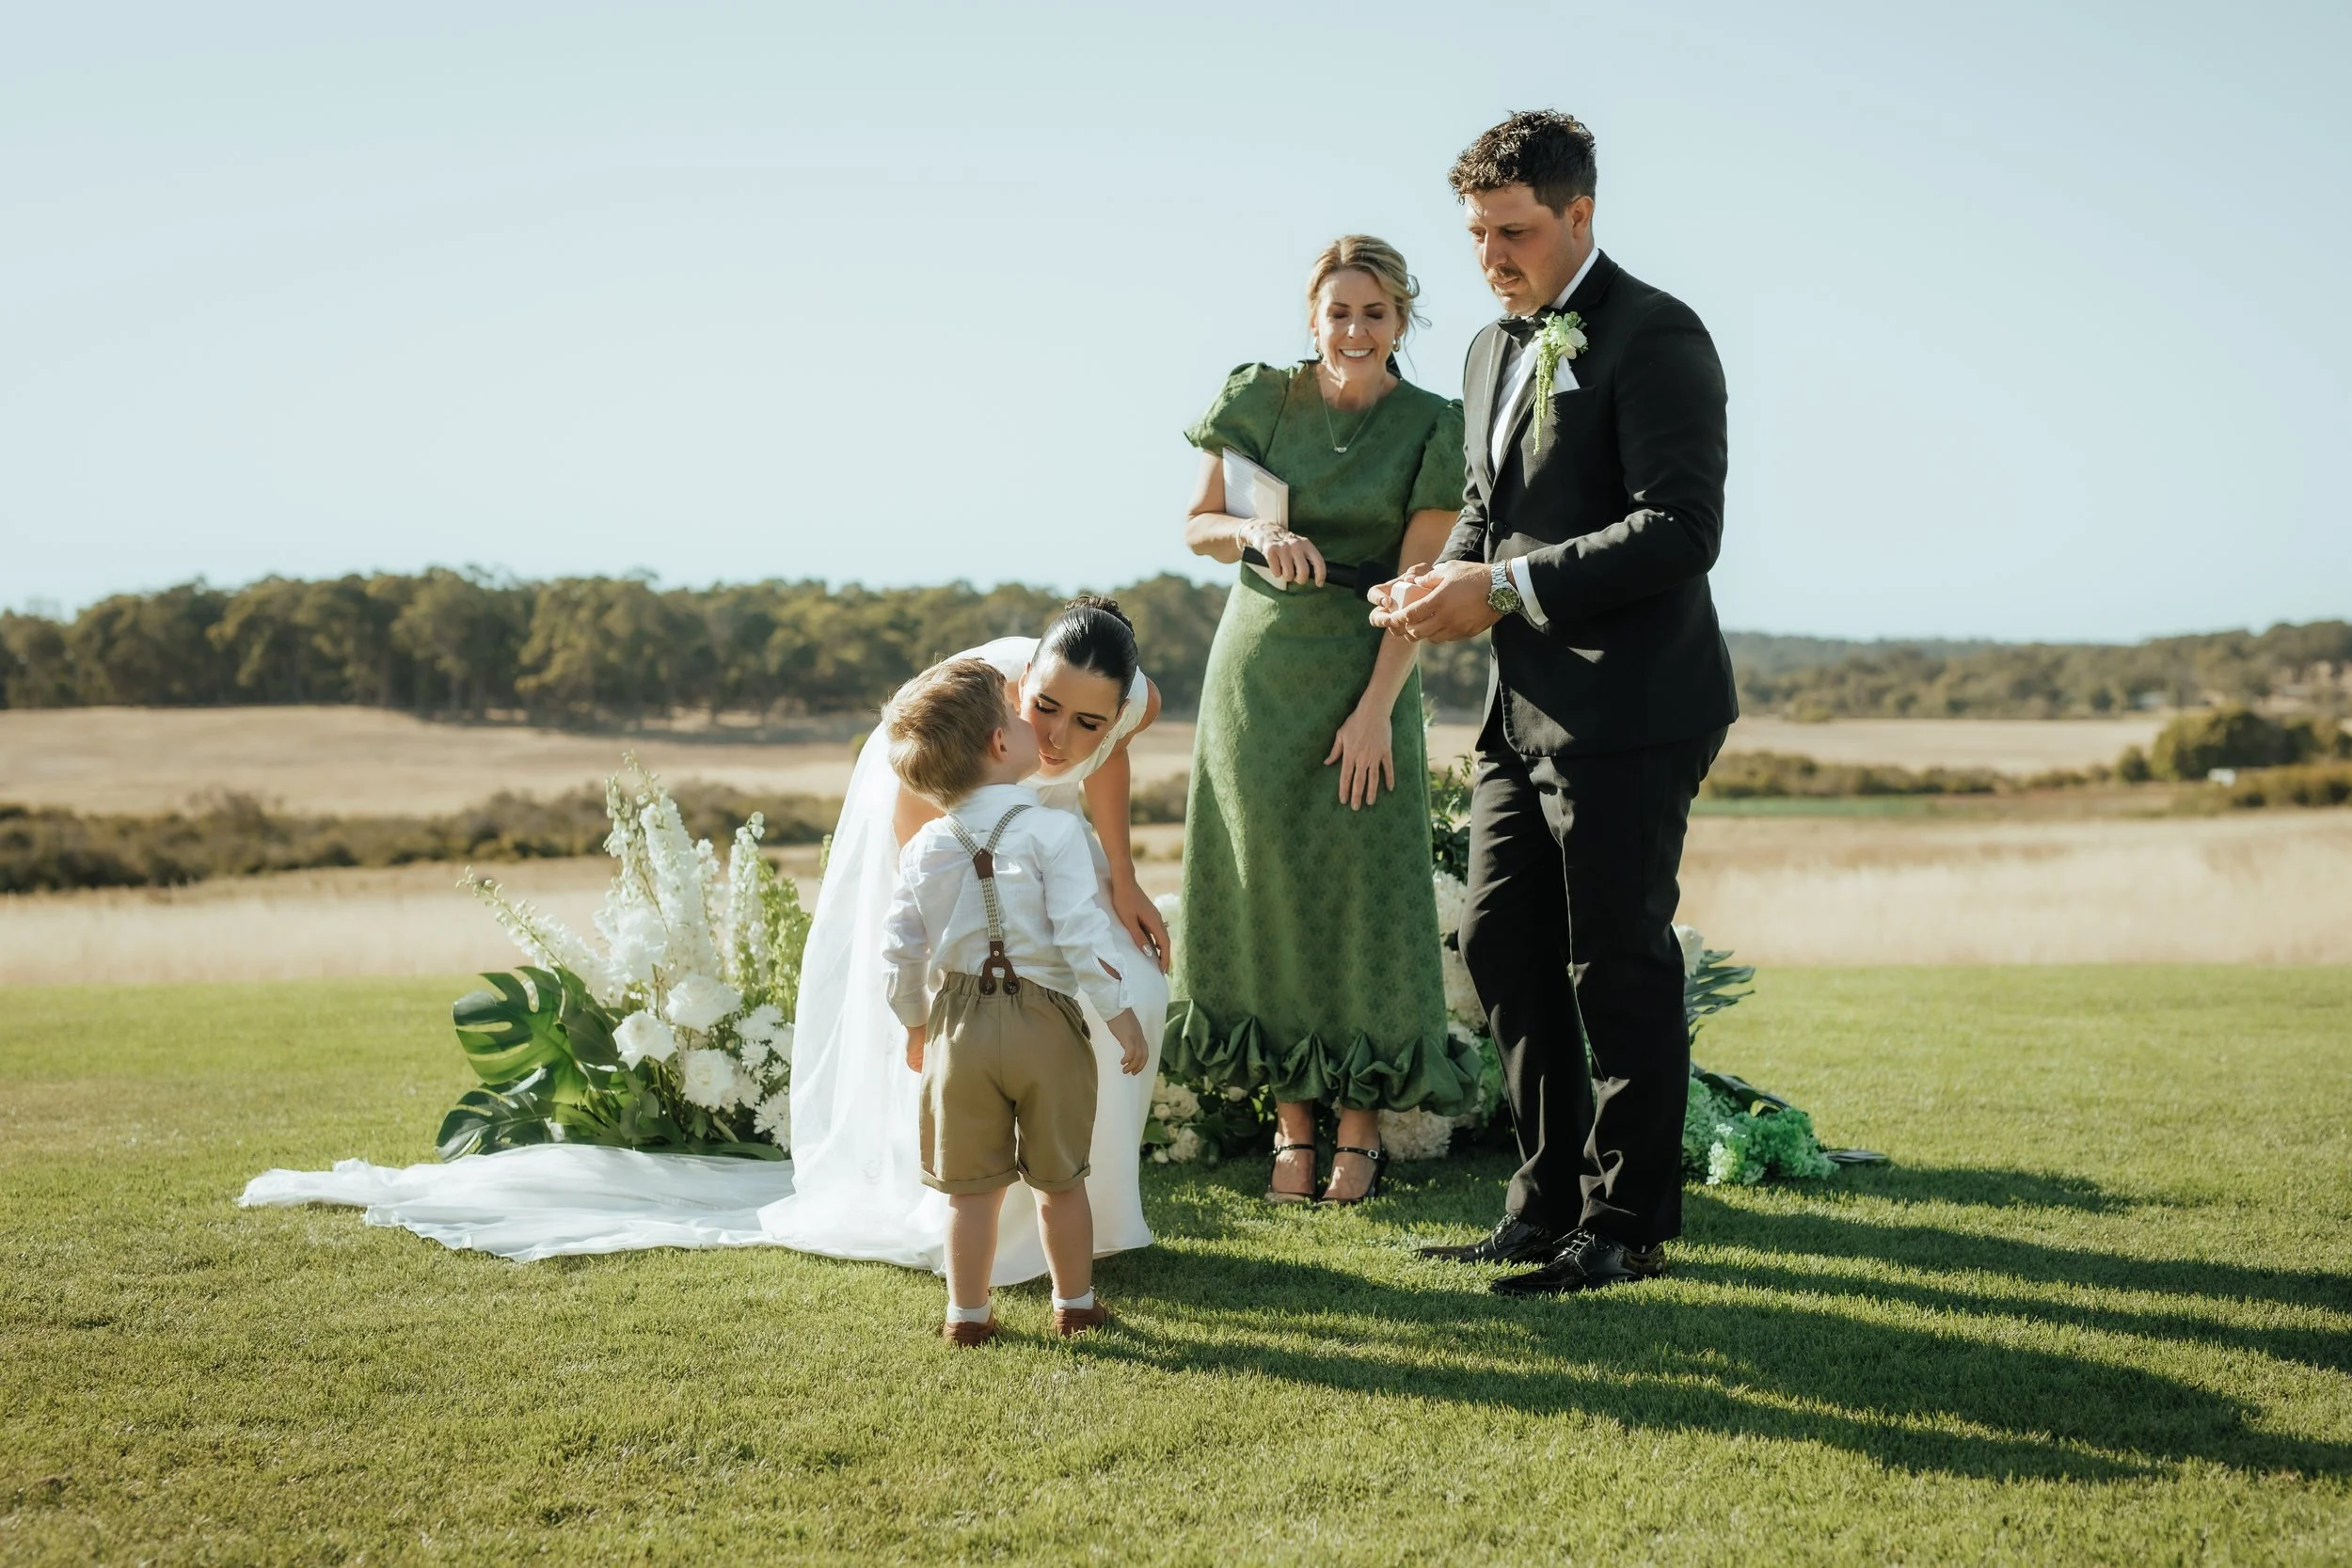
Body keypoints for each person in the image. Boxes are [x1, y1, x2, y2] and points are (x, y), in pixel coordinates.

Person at [1374, 113, 1736, 1292]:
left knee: (1616, 960)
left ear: (1580, 214)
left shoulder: (1660, 333)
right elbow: (1488, 504)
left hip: (1631, 702)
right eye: (1476, 231)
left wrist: (1508, 586)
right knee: (1499, 938)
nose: (1491, 254)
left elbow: (1681, 531)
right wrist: (1441, 581)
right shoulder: (1486, 348)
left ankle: (1625, 1223)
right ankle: (1540, 1203)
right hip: (1518, 707)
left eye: (1513, 230)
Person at [1164, 235, 1483, 1205]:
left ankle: (1360, 1129)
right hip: (1257, 674)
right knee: (1269, 894)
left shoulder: (1434, 422)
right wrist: (1255, 530)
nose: (1354, 329)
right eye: (1338, 311)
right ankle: (1290, 1126)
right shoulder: (1259, 397)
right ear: (1313, 317)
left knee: (1364, 894)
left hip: (1368, 662)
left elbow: (1417, 582)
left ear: (1401, 320)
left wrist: (1377, 712)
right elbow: (1197, 524)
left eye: (1374, 312)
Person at [763, 596, 1170, 1283]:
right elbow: (917, 830)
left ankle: (1090, 1205)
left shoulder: (1137, 705)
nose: (1059, 738)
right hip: (957, 852)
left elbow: (1105, 763)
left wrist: (1123, 879)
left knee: (1141, 985)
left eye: (1088, 721)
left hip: (1054, 848)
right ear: (1024, 679)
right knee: (994, 1009)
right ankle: (989, 1221)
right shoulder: (973, 694)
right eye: (1044, 707)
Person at [881, 657, 1152, 1345]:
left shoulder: (922, 850)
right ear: (1001, 744)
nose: (1035, 727)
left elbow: (900, 952)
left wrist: (917, 1026)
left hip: (958, 1030)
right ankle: (1075, 1303)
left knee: (969, 1191)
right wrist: (1121, 1019)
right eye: (1016, 717)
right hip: (1046, 1027)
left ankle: (966, 1317)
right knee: (1061, 1180)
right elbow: (1082, 937)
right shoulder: (1053, 831)